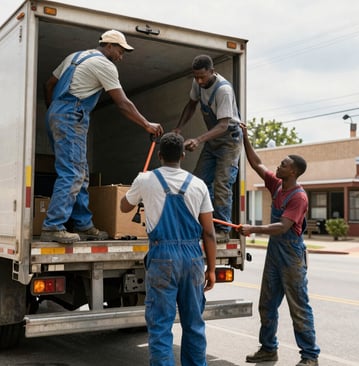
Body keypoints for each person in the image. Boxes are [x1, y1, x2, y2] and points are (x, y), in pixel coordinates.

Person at [40, 29, 164, 244]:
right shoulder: (104, 65)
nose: (121, 56)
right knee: (72, 174)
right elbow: (123, 103)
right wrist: (147, 125)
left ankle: (83, 224)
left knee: (80, 172)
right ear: (108, 46)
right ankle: (52, 226)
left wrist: (55, 110)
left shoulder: (75, 57)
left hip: (58, 114)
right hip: (71, 115)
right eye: (120, 51)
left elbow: (48, 84)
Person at [120, 132, 216, 366]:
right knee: (194, 323)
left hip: (162, 257)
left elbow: (124, 207)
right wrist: (211, 269)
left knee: (161, 325)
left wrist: (140, 190)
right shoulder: (198, 185)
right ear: (183, 155)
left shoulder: (145, 179)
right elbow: (209, 232)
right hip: (193, 258)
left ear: (160, 155)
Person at [239, 123, 320, 366]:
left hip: (292, 255)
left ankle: (310, 357)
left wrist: (252, 229)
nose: (278, 166)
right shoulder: (277, 184)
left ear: (293, 172)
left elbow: (283, 227)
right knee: (267, 303)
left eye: (284, 164)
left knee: (299, 306)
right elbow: (256, 163)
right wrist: (245, 137)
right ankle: (268, 349)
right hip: (275, 254)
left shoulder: (299, 197)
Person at [174, 54, 242, 243]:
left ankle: (222, 229)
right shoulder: (198, 84)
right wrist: (179, 128)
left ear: (212, 72)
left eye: (203, 77)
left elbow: (223, 126)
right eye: (196, 77)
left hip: (229, 141)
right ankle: (202, 224)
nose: (199, 80)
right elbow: (191, 105)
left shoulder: (224, 90)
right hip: (213, 141)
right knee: (198, 182)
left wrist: (198, 139)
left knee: (222, 184)